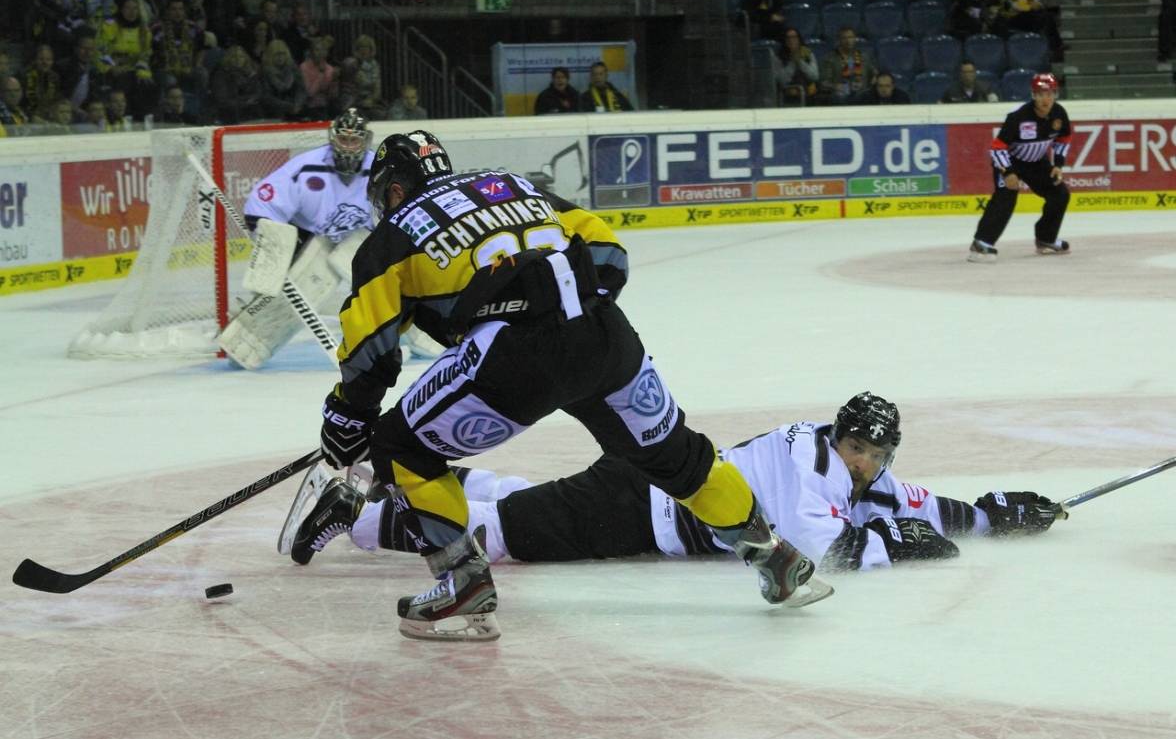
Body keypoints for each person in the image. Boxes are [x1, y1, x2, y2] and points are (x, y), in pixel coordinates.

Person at [287, 130, 826, 642]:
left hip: (514, 355)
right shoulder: (509, 184)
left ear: (394, 190)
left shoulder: (392, 235)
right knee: (675, 455)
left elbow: (370, 351)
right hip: (606, 335)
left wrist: (348, 415)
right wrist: (570, 314)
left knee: (399, 447)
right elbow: (609, 253)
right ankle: (776, 559)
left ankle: (463, 588)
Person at [284, 393, 1058, 572]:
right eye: (857, 447)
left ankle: (388, 479)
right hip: (638, 508)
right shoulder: (811, 470)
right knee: (509, 535)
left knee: (525, 498)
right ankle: (356, 516)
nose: (865, 462)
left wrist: (988, 514)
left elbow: (907, 499)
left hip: (642, 482)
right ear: (840, 436)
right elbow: (827, 549)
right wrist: (901, 547)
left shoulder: (845, 461)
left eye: (875, 454)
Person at [218, 109, 376, 369]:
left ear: (366, 141)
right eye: (343, 139)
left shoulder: (380, 170)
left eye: (354, 140)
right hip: (310, 236)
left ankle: (416, 329)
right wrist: (276, 253)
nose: (348, 146)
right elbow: (262, 205)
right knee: (296, 279)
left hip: (360, 238)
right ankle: (251, 331)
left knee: (387, 279)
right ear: (333, 138)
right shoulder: (307, 167)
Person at [968, 71, 1071, 262]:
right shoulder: (1019, 116)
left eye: (1050, 94)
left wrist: (1058, 164)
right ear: (1033, 95)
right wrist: (1008, 172)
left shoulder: (1059, 114)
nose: (1046, 99)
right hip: (1010, 161)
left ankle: (1046, 238)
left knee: (1060, 194)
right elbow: (997, 147)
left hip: (1037, 162)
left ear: (1055, 94)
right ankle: (981, 243)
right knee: (1006, 197)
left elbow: (1064, 138)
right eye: (1041, 94)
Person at [819, 26, 876, 104]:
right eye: (844, 38)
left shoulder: (864, 57)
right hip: (841, 94)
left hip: (862, 92)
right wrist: (835, 86)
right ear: (839, 40)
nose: (848, 41)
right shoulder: (830, 59)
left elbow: (874, 73)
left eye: (850, 37)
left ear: (855, 39)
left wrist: (875, 78)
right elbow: (824, 82)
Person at [775, 27, 819, 104]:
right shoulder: (779, 57)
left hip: (809, 92)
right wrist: (793, 63)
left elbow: (815, 76)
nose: (791, 40)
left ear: (799, 39)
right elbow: (782, 80)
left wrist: (800, 62)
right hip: (789, 92)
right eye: (788, 38)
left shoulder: (808, 54)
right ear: (785, 41)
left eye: (794, 37)